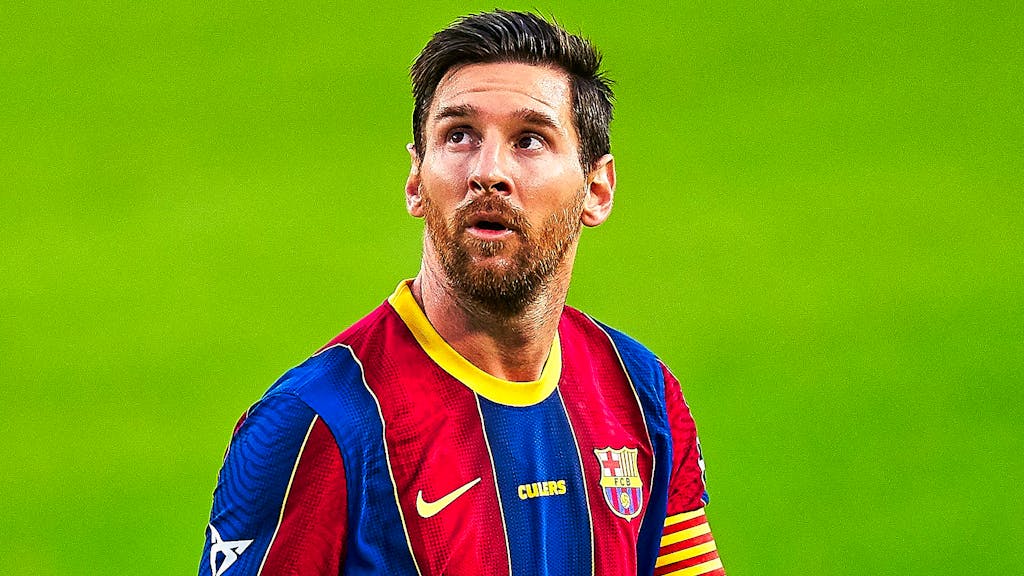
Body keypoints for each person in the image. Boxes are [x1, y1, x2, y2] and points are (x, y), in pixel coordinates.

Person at [199, 10, 725, 576]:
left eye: (530, 140)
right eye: (458, 136)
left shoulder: (639, 394)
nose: (488, 171)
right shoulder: (318, 425)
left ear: (597, 188)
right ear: (415, 180)